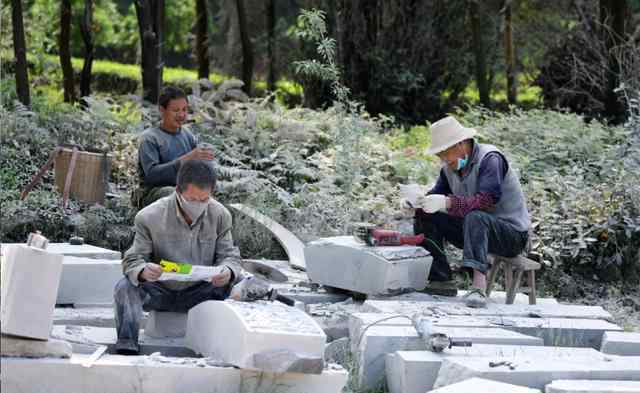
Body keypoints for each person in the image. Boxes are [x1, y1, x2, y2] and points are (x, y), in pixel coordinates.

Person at [114, 160, 243, 355]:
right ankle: (127, 343)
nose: (198, 205)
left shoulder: (220, 215)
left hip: (201, 291)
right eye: (192, 199)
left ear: (211, 193)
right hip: (160, 291)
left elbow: (229, 256)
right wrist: (142, 271)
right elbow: (133, 259)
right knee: (125, 286)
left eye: (204, 200)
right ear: (178, 190)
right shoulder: (149, 216)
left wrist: (228, 271)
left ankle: (233, 346)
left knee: (242, 283)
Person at [402, 116, 531, 308]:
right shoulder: (449, 169)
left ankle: (478, 288)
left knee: (476, 215)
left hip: (511, 235)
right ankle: (441, 279)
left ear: (461, 143)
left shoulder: (490, 159)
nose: (443, 159)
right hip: (475, 231)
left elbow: (486, 201)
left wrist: (447, 202)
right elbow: (436, 196)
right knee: (426, 214)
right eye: (440, 155)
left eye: (446, 152)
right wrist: (417, 203)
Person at [133, 86, 215, 209]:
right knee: (175, 195)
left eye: (185, 109)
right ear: (162, 110)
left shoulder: (187, 135)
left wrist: (205, 163)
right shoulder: (150, 138)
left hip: (185, 190)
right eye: (176, 110)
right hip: (153, 193)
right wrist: (187, 158)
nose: (182, 115)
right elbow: (152, 176)